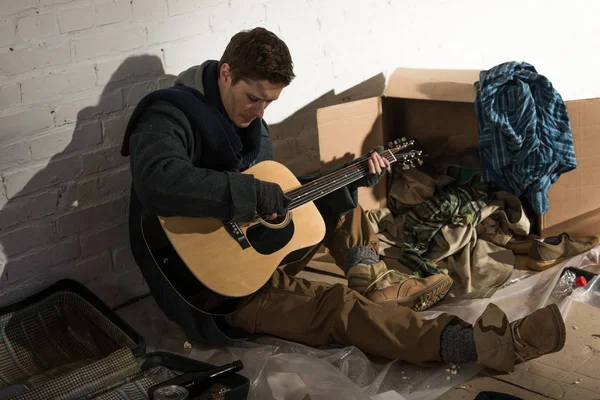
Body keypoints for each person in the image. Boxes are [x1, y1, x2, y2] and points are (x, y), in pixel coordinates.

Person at [122, 27, 566, 373]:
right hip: (211, 287)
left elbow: (275, 193)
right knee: (338, 309)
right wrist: (253, 194)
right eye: (253, 98)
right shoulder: (170, 112)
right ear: (224, 73)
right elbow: (157, 180)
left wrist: (352, 175)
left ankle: (370, 275)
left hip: (258, 252)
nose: (259, 113)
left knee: (334, 194)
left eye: (269, 102)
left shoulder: (251, 123)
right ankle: (481, 344)